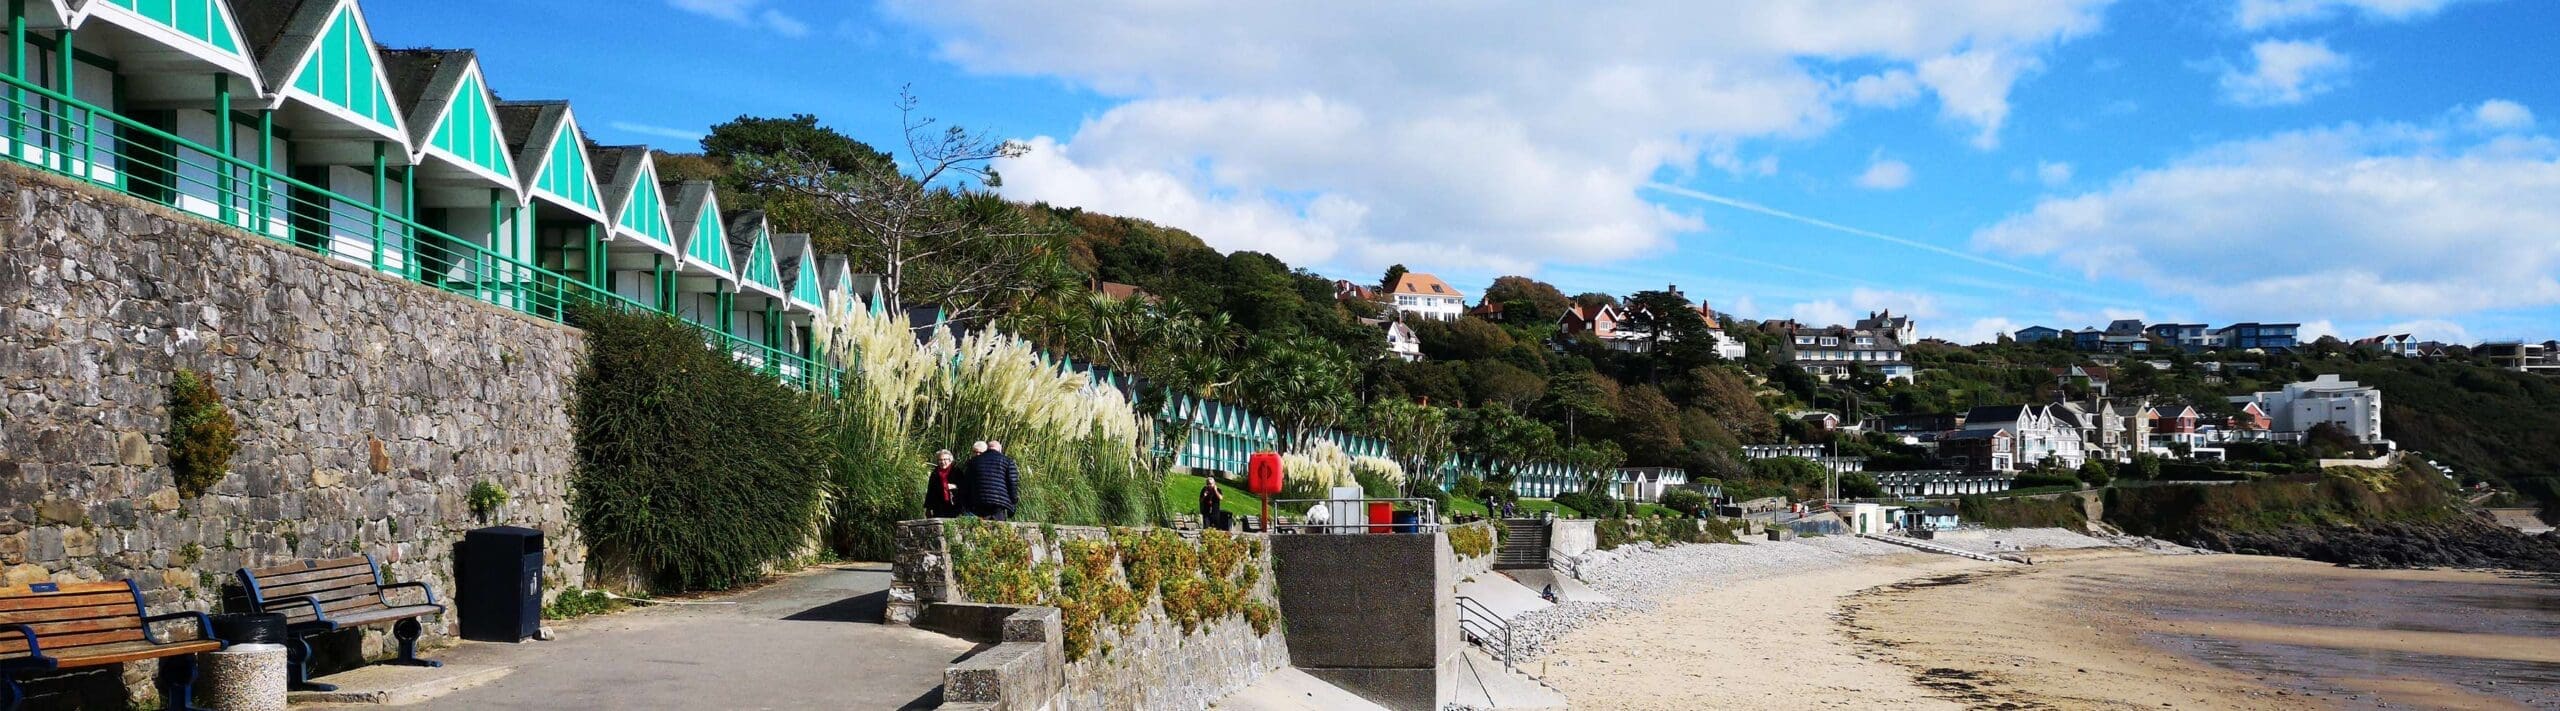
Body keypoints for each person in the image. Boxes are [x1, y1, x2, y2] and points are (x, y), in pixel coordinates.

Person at [969, 439, 1020, 520]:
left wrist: (970, 503)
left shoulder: (974, 461)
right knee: (999, 528)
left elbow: (968, 483)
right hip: (999, 503)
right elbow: (1013, 482)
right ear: (1000, 449)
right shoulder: (1008, 461)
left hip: (980, 502)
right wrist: (1013, 500)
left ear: (987, 448)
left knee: (980, 529)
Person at [924, 449, 964, 518]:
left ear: (950, 460)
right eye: (940, 460)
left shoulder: (956, 471)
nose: (942, 462)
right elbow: (930, 491)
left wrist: (955, 486)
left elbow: (964, 486)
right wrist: (928, 508)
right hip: (939, 506)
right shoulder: (935, 473)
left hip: (954, 505)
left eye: (945, 459)